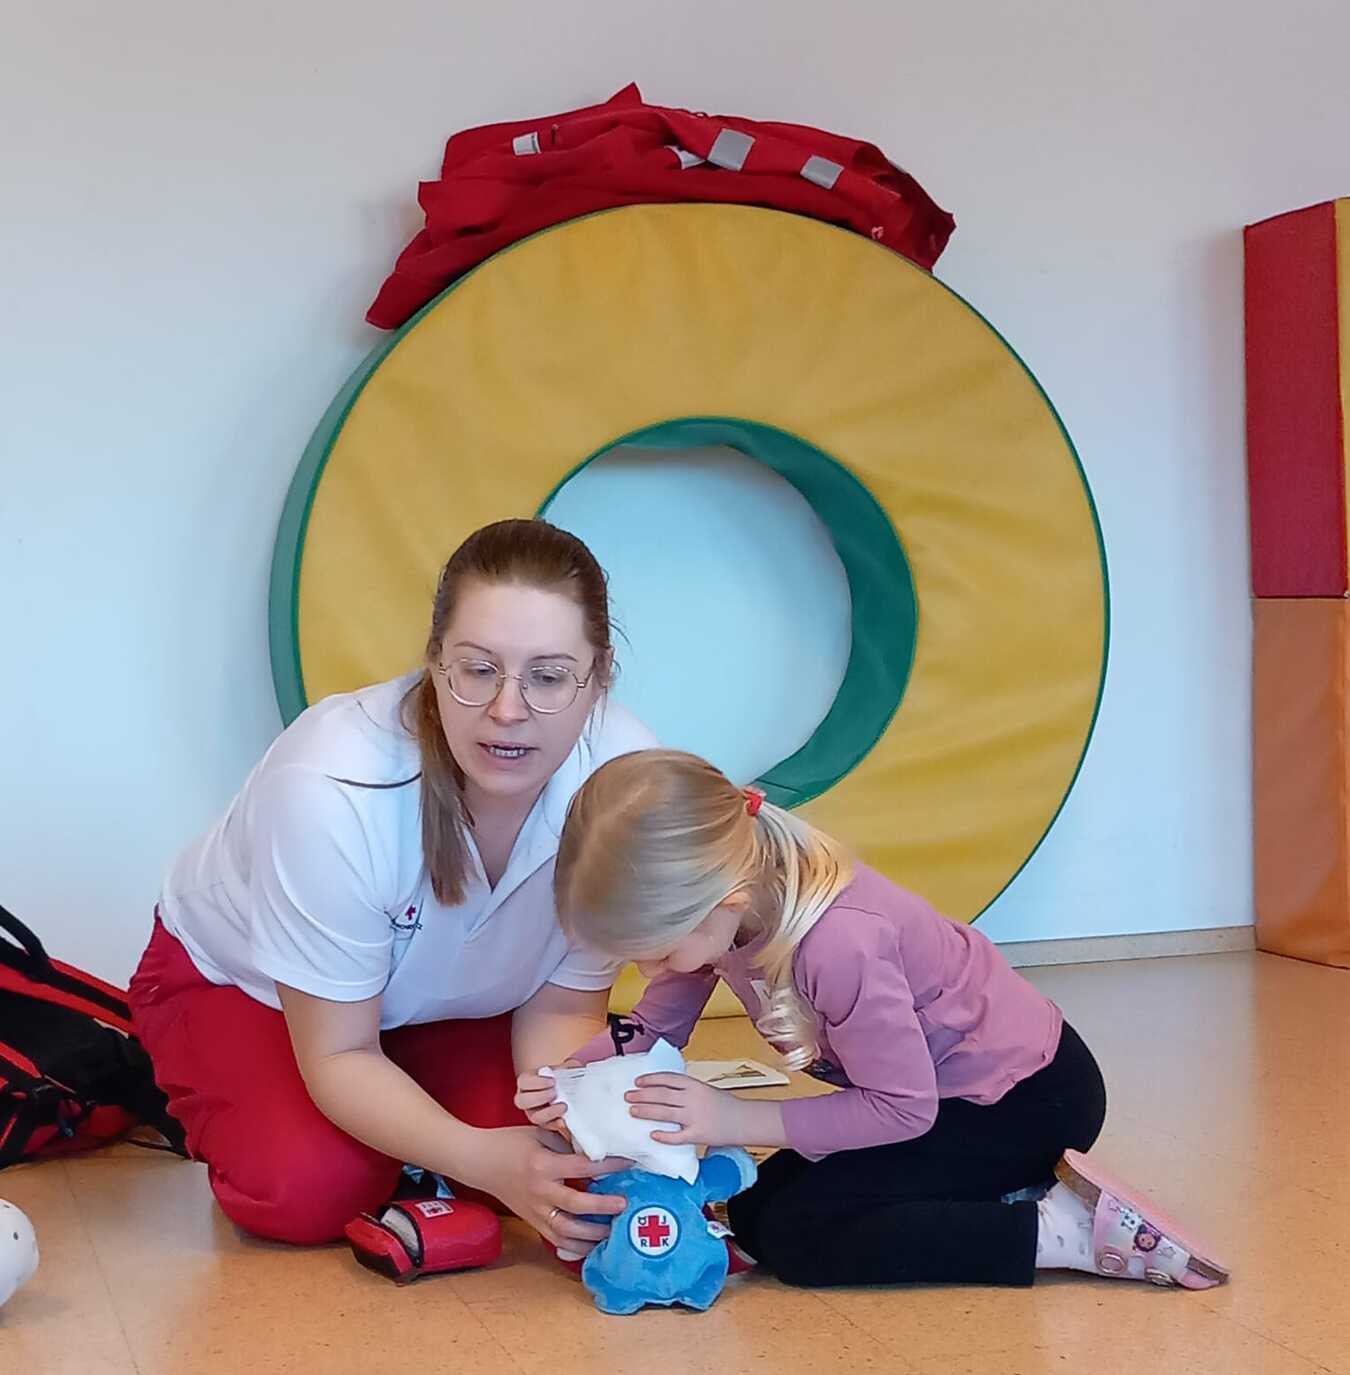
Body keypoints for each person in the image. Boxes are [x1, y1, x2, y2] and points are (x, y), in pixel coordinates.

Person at [130, 520, 653, 1270]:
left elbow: (562, 1009)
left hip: (445, 1009)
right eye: (478, 669)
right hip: (253, 994)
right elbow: (341, 1052)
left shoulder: (625, 782)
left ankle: (415, 1135)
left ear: (599, 678)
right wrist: (480, 1159)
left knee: (564, 1160)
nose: (508, 710)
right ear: (434, 661)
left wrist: (575, 1123)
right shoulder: (332, 785)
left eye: (547, 677)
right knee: (310, 1190)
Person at [521, 749, 1230, 1291]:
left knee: (800, 1234)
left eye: (657, 951)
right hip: (938, 1100)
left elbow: (901, 1110)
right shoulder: (724, 910)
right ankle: (995, 1189)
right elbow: (652, 1031)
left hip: (1024, 1102)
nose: (652, 970)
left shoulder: (839, 944)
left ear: (723, 903)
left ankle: (1056, 1232)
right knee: (756, 1204)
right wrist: (572, 1079)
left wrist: (732, 1118)